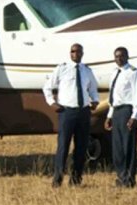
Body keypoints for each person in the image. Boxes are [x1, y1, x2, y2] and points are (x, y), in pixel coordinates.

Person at [42, 43, 99, 187]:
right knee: (63, 146)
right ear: (70, 53)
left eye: (78, 52)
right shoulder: (62, 69)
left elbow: (93, 88)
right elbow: (47, 87)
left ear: (82, 53)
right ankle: (58, 179)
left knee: (81, 147)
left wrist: (95, 100)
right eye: (73, 51)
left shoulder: (87, 71)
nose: (76, 54)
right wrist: (52, 103)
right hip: (67, 112)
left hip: (84, 112)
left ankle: (76, 180)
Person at [105, 46, 137, 188]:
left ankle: (129, 178)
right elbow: (113, 97)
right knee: (117, 149)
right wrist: (109, 116)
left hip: (128, 111)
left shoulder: (133, 73)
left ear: (127, 56)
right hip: (116, 112)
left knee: (128, 147)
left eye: (121, 56)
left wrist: (134, 116)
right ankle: (120, 177)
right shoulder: (115, 73)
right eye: (116, 56)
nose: (119, 59)